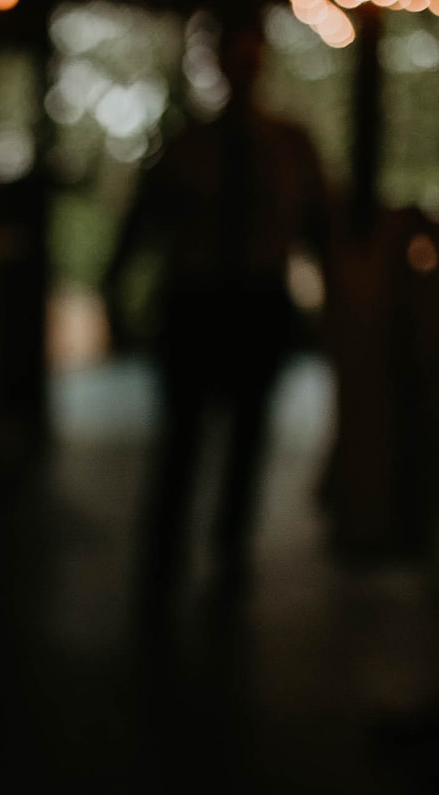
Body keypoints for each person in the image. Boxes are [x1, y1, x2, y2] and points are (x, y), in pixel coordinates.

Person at [106, 17, 327, 619]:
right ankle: (161, 568)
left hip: (258, 306)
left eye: (251, 51)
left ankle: (229, 560)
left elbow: (322, 231)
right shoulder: (187, 144)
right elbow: (142, 224)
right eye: (234, 50)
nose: (244, 62)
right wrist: (114, 292)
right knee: (180, 443)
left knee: (248, 443)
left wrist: (340, 310)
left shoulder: (290, 145)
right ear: (221, 60)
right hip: (196, 308)